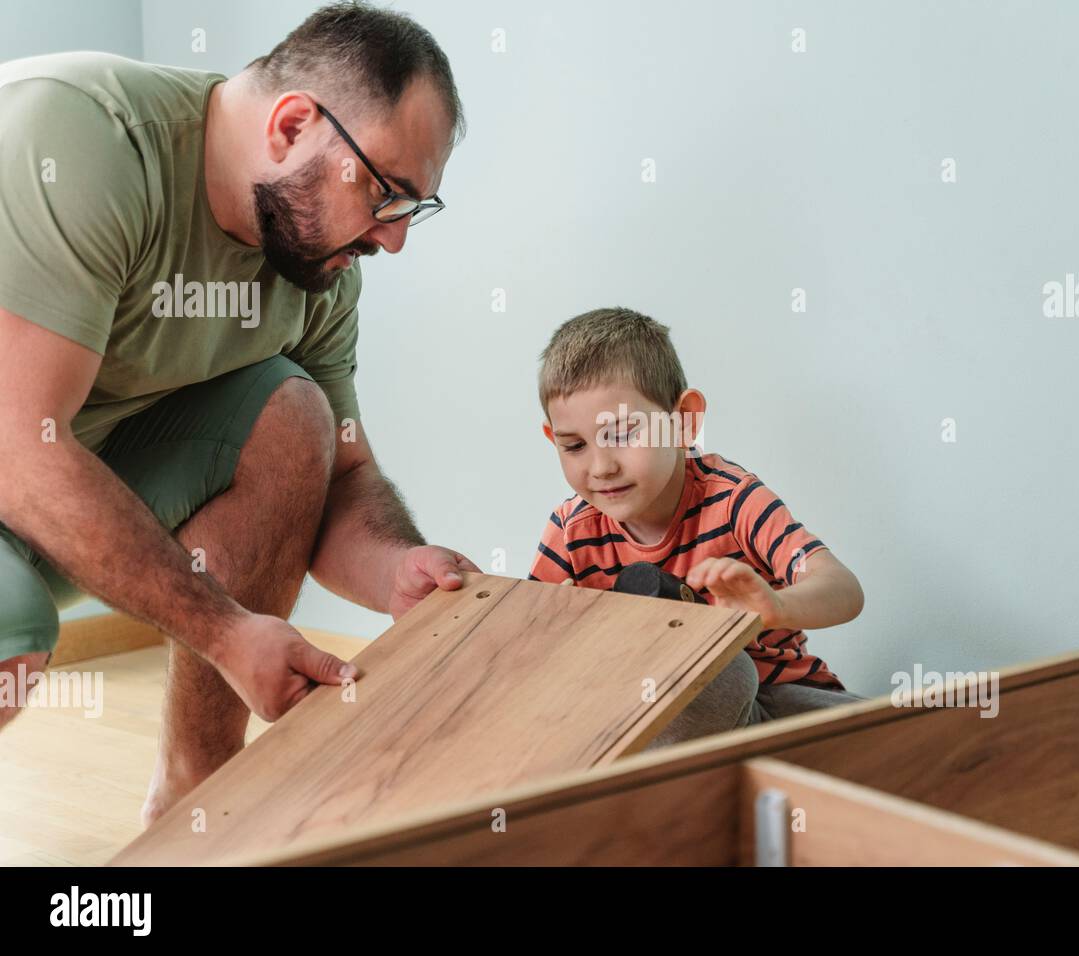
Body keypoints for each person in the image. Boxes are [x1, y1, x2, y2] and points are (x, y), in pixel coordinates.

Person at [0, 2, 479, 824]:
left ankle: (194, 810)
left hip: (69, 470)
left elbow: (343, 476)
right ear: (292, 125)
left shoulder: (318, 267)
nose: (393, 240)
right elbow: (18, 447)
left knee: (296, 418)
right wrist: (228, 634)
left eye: (413, 208)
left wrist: (400, 567)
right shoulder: (84, 138)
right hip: (18, 452)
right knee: (8, 638)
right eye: (387, 192)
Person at [528, 308, 866, 747]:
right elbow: (530, 646)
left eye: (624, 434)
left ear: (684, 420)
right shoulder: (572, 531)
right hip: (667, 717)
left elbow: (843, 589)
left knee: (895, 743)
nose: (601, 467)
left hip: (779, 697)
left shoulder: (732, 499)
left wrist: (774, 609)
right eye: (574, 446)